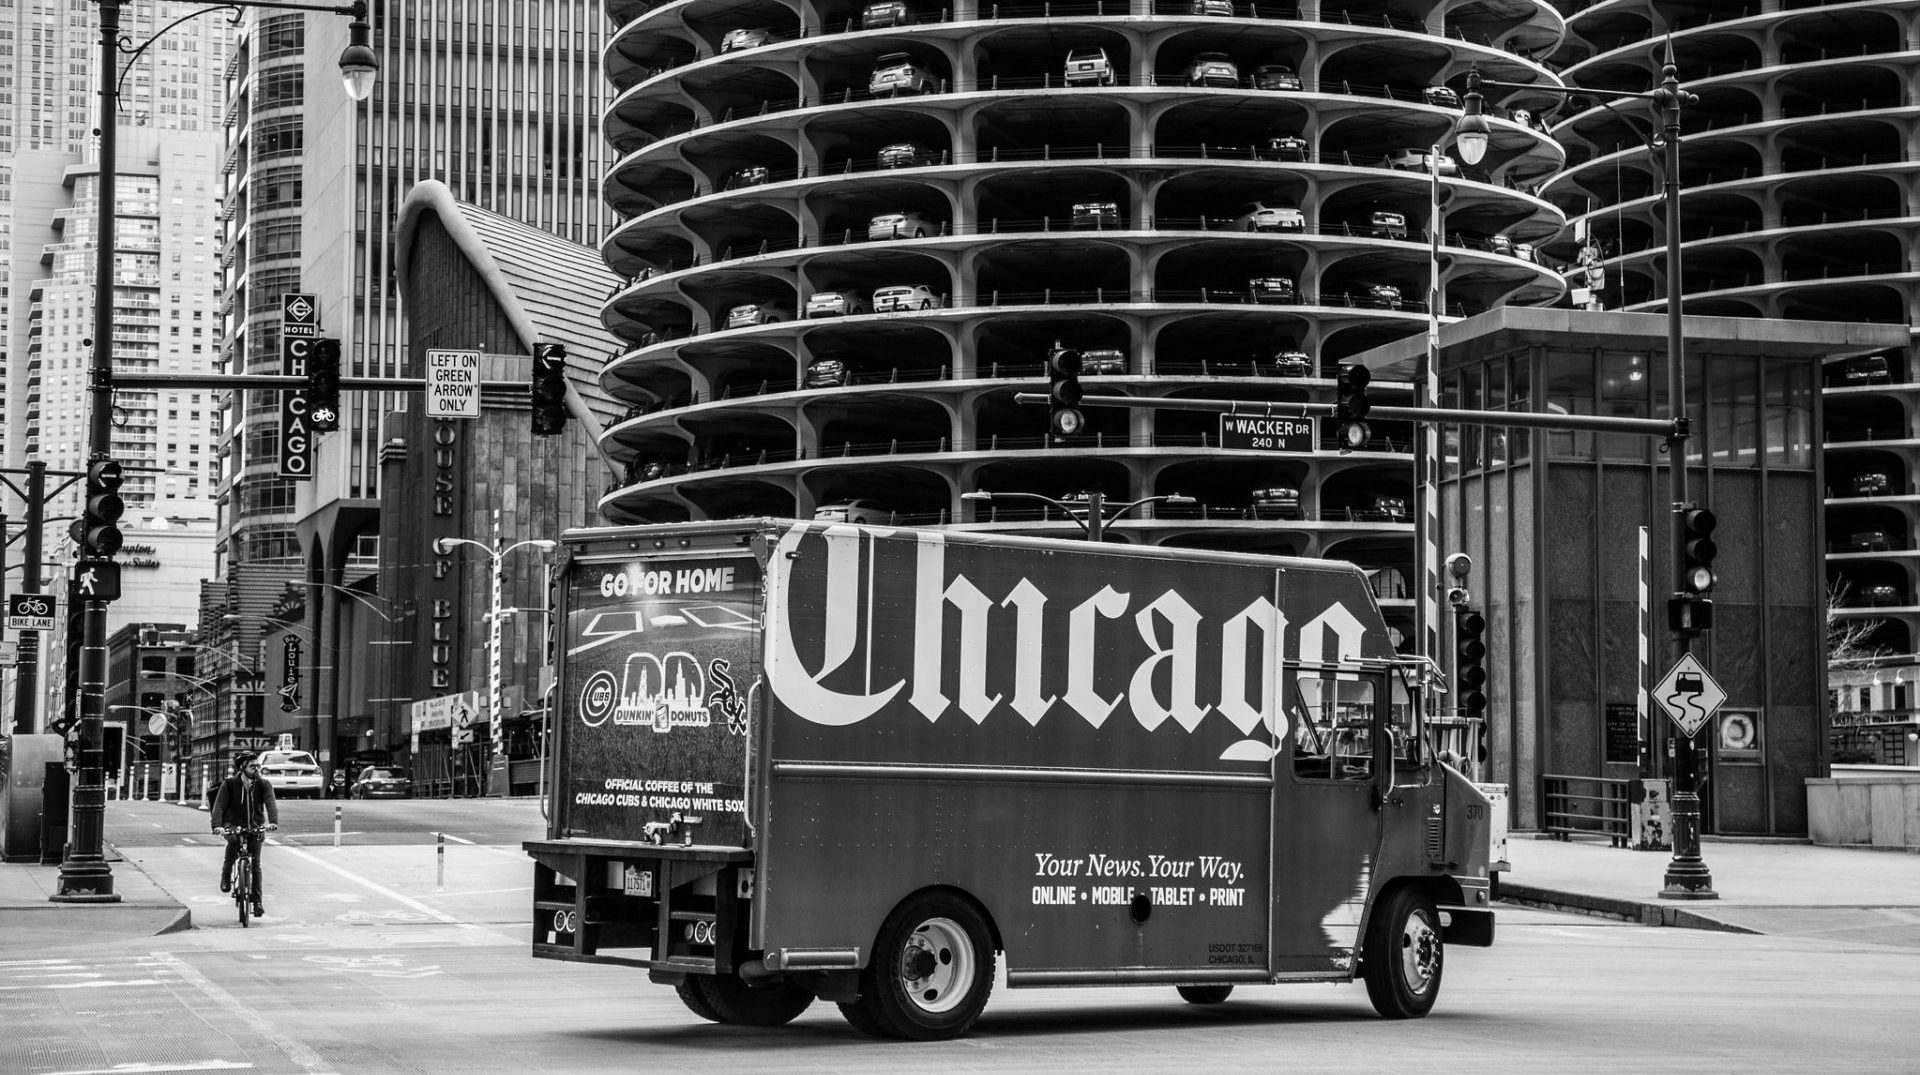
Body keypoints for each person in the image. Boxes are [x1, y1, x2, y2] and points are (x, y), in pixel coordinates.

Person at [212, 751, 279, 917]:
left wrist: (273, 822)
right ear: (242, 767)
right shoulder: (229, 784)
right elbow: (219, 806)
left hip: (255, 826)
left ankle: (257, 902)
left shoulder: (263, 784)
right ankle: (226, 875)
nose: (256, 769)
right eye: (252, 766)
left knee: (255, 864)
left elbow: (270, 803)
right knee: (233, 842)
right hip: (232, 824)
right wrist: (217, 826)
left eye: (257, 766)